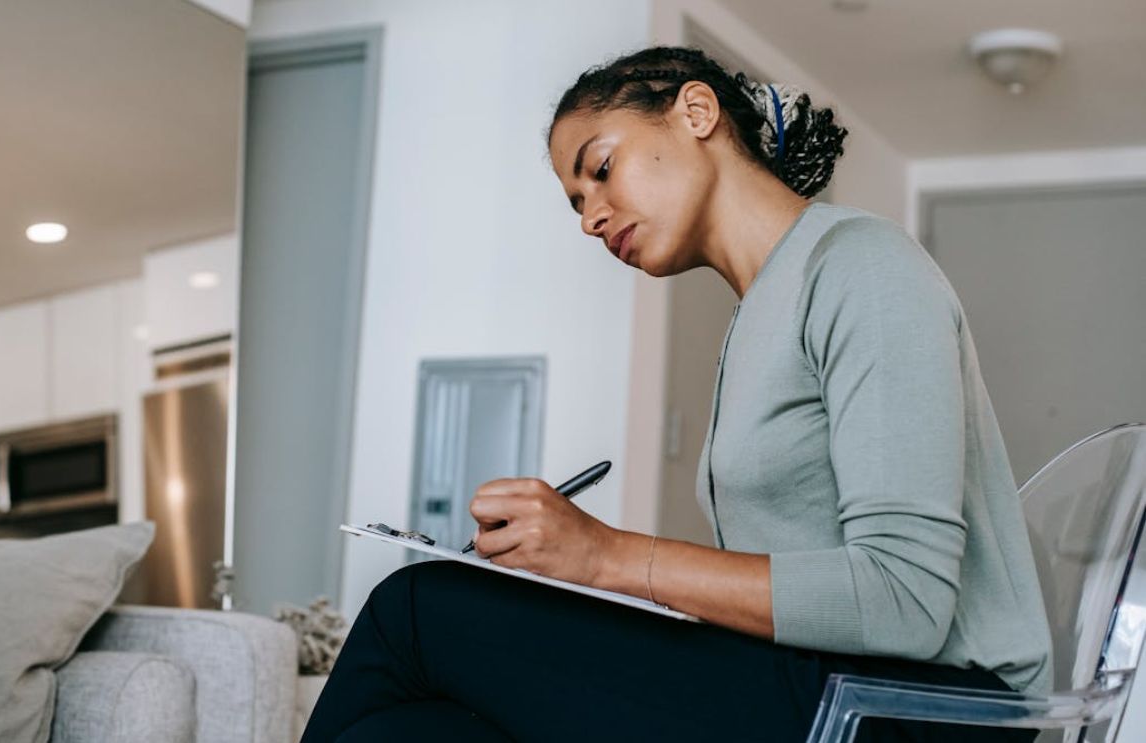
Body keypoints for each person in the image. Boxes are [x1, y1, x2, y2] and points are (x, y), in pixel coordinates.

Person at [301, 46, 1052, 742]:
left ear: (696, 114)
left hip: (926, 708)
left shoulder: (862, 266)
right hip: (824, 682)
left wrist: (601, 556)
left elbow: (906, 601)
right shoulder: (757, 314)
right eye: (574, 204)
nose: (591, 217)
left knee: (416, 611)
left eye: (600, 169)